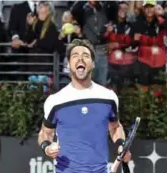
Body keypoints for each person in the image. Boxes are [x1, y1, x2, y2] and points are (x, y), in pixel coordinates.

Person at [38, 39, 131, 173]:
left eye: (86, 56)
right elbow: (45, 133)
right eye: (75, 55)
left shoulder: (108, 97)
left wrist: (121, 145)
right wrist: (47, 147)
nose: (80, 58)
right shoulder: (55, 100)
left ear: (93, 64)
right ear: (68, 64)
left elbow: (115, 127)